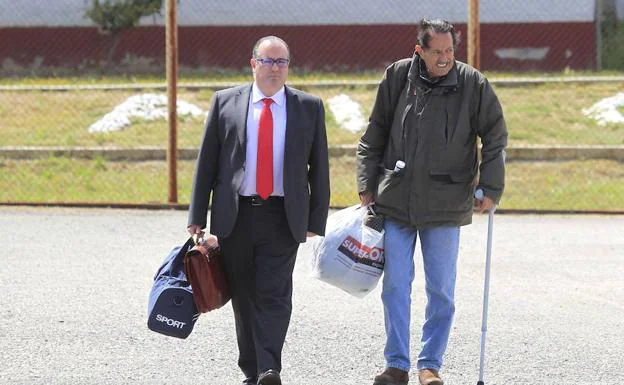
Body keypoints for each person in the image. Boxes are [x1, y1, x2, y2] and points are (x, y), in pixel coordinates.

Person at [356, 19, 507, 385]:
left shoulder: (473, 83)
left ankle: (430, 365)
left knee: (441, 289)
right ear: (419, 50)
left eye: (450, 51)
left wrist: (490, 187)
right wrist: (366, 183)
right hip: (395, 200)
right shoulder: (397, 77)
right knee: (395, 284)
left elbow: (495, 136)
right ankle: (397, 364)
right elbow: (373, 134)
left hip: (446, 202)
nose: (445, 58)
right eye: (437, 51)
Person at [187, 36, 330, 385]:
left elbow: (320, 168)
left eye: (282, 62)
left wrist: (315, 219)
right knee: (243, 294)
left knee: (275, 293)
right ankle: (252, 369)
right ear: (253, 64)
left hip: (282, 215)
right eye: (268, 61)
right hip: (236, 215)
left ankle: (270, 368)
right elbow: (207, 162)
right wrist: (197, 217)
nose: (275, 69)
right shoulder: (225, 103)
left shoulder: (308, 107)